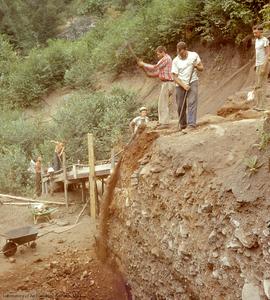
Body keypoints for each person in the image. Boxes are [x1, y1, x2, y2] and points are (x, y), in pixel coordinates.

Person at [137, 46, 175, 128]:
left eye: (158, 54)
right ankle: (162, 121)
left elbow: (155, 67)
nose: (157, 55)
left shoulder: (166, 59)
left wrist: (143, 64)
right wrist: (149, 74)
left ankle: (165, 123)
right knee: (161, 103)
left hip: (168, 83)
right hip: (166, 83)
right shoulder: (165, 60)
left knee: (163, 103)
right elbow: (159, 72)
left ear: (162, 52)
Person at [171, 41, 204, 132]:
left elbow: (202, 68)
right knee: (180, 105)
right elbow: (174, 77)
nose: (181, 55)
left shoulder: (193, 56)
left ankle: (191, 124)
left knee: (192, 102)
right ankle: (183, 124)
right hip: (180, 84)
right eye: (179, 53)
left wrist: (196, 66)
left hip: (192, 81)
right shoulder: (175, 61)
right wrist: (184, 85)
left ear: (186, 49)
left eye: (182, 53)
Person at [253, 25, 270, 111]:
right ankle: (258, 104)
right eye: (254, 32)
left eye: (256, 32)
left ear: (261, 32)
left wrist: (264, 66)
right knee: (258, 86)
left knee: (262, 85)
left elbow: (267, 53)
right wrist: (255, 64)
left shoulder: (265, 40)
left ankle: (262, 106)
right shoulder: (256, 40)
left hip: (264, 64)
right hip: (258, 64)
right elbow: (258, 53)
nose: (254, 34)